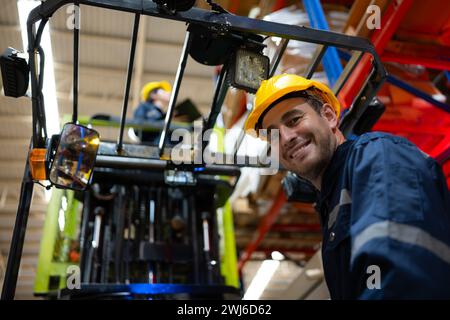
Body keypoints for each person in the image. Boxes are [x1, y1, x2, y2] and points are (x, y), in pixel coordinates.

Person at [244, 74, 450, 299]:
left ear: (329, 116)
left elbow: (390, 270)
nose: (286, 138)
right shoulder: (332, 199)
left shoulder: (375, 156)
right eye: (273, 136)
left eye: (294, 120)